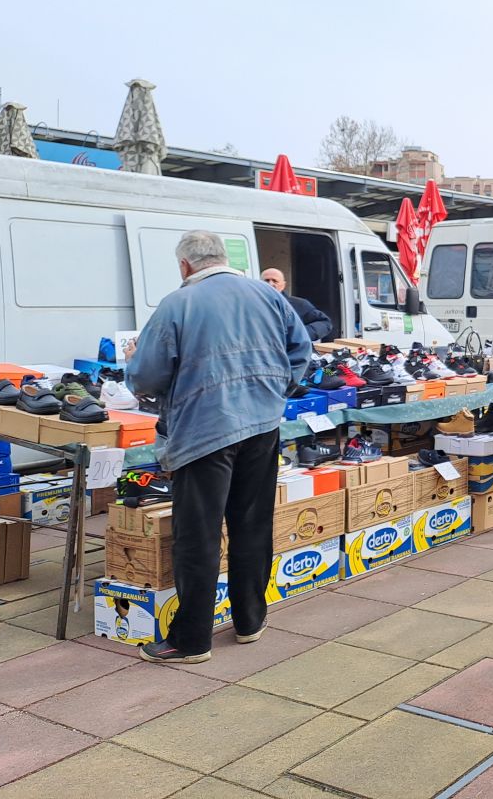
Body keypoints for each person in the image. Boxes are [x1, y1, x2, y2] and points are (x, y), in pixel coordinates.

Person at [127, 231, 311, 663]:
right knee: (252, 525)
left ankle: (191, 640)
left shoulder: (178, 303)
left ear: (185, 266)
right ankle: (250, 621)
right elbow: (300, 352)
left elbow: (146, 376)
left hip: (203, 432)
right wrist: (274, 390)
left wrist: (133, 366)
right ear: (223, 258)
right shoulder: (266, 294)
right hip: (262, 425)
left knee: (198, 536)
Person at [261, 267, 333, 341]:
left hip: (293, 351)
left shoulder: (299, 304)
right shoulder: (251, 305)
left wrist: (300, 335)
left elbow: (325, 323)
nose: (270, 284)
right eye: (266, 280)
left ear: (283, 285)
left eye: (275, 281)